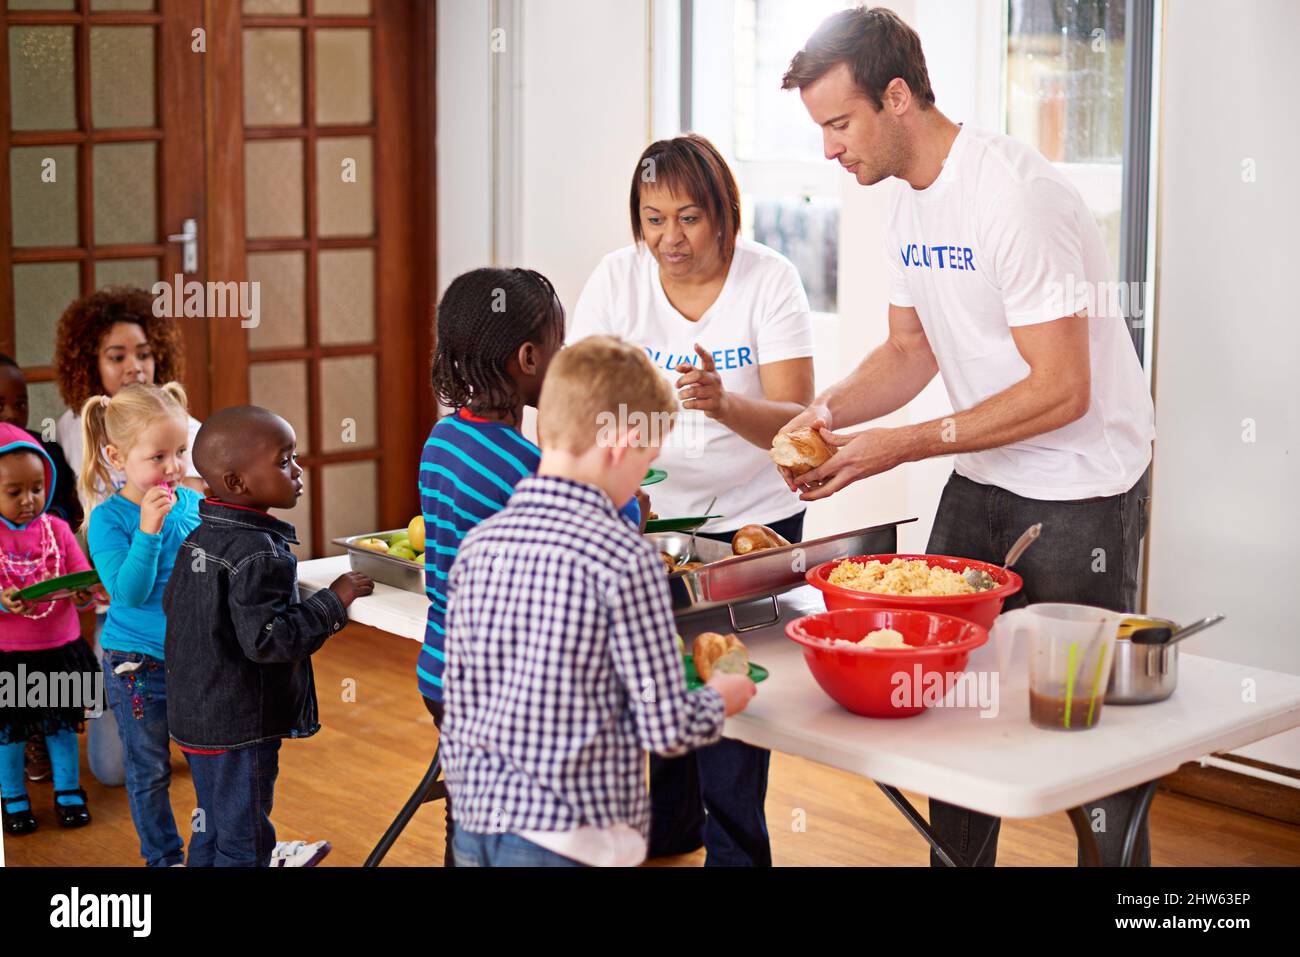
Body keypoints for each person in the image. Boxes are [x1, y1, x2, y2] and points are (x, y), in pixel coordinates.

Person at [779, 5, 1155, 866]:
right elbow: (910, 351)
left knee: (1083, 731)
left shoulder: (1015, 197)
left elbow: (1062, 389)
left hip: (1078, 486)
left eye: (840, 124)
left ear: (898, 97)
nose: (829, 151)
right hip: (983, 473)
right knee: (944, 707)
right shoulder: (909, 203)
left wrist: (905, 445)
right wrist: (828, 414)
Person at [569, 133, 816, 866]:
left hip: (753, 517)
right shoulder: (619, 278)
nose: (668, 238)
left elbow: (798, 420)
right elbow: (580, 392)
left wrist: (720, 403)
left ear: (723, 215)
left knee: (730, 676)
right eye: (652, 219)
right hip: (647, 512)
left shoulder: (771, 280)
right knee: (661, 669)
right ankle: (670, 831)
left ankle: (738, 853)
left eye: (688, 218)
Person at [441, 336, 756, 867]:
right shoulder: (622, 560)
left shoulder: (481, 545)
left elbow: (465, 691)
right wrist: (723, 695)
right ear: (621, 443)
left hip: (474, 823)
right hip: (570, 839)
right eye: (646, 461)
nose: (641, 481)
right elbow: (666, 725)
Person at [418, 267, 644, 865]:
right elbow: (610, 541)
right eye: (559, 348)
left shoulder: (441, 441)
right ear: (527, 358)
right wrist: (626, 497)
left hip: (444, 669)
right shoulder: (525, 466)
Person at [163, 406, 373, 867]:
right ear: (236, 482)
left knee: (210, 826)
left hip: (195, 718)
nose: (298, 470)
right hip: (238, 727)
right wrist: (332, 602)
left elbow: (179, 613)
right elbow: (271, 640)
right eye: (284, 461)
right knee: (245, 842)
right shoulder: (258, 552)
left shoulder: (198, 537)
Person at [53, 288, 203, 791]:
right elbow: (119, 579)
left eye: (143, 353)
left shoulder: (184, 436)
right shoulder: (76, 431)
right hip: (126, 629)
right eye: (117, 356)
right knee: (115, 770)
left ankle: (185, 724)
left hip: (185, 625)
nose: (134, 366)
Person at [81, 382, 202, 867]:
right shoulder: (109, 521)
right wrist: (148, 532)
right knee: (149, 769)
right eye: (158, 457)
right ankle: (163, 857)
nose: (173, 467)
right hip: (136, 664)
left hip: (194, 657)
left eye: (180, 452)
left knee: (207, 763)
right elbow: (126, 594)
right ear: (116, 455)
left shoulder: (191, 504)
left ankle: (213, 850)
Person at [0, 423, 99, 835]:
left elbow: (81, 578)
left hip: (61, 648)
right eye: (14, 492)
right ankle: (12, 797)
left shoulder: (58, 530)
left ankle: (69, 791)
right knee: (12, 734)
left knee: (61, 727)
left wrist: (83, 596)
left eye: (38, 488)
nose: (29, 500)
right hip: (12, 655)